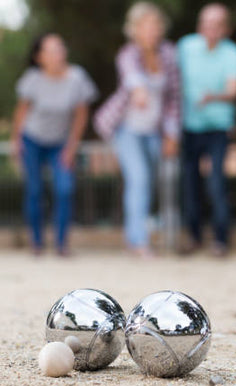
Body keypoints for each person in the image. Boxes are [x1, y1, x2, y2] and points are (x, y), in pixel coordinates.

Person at [94, 2, 180, 258]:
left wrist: (172, 134)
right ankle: (139, 242)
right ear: (135, 29)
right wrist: (139, 90)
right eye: (146, 25)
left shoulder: (169, 54)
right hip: (127, 129)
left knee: (147, 183)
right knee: (139, 179)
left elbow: (174, 97)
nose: (152, 30)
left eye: (155, 24)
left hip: (154, 130)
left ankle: (133, 236)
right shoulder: (128, 54)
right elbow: (132, 77)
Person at [10, 33, 98, 256]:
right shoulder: (32, 78)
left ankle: (61, 244)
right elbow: (21, 112)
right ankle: (37, 243)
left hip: (60, 142)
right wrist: (16, 142)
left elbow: (80, 115)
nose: (58, 53)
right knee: (35, 190)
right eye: (51, 50)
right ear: (40, 57)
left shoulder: (77, 77)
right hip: (32, 140)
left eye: (60, 47)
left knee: (64, 189)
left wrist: (71, 147)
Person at [177, 3, 236, 257]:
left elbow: (235, 90)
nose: (210, 29)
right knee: (190, 183)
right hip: (189, 126)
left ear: (226, 29)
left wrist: (213, 97)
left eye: (217, 24)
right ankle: (194, 237)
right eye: (206, 23)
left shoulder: (234, 54)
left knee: (216, 183)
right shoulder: (185, 47)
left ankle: (221, 240)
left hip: (218, 127)